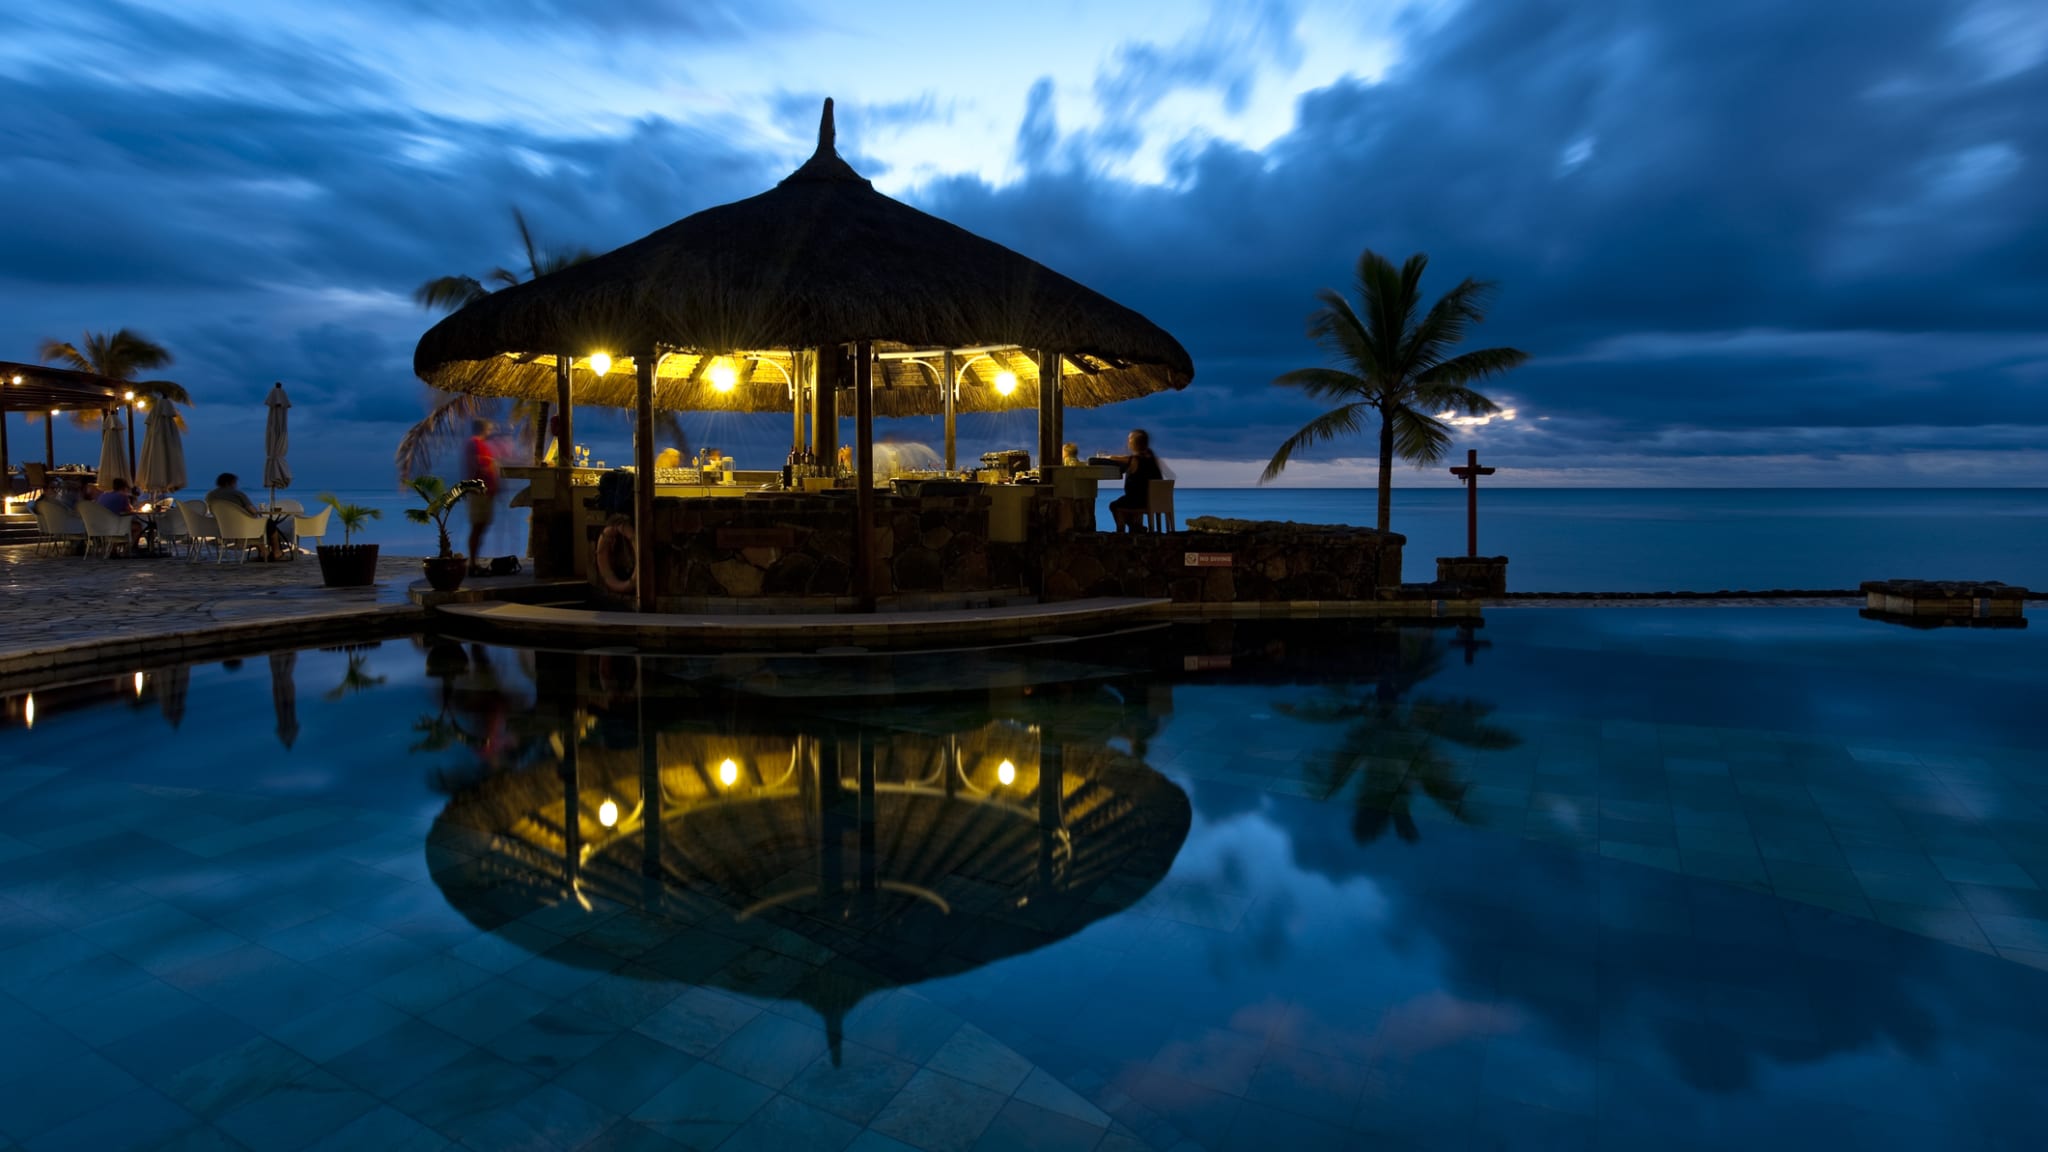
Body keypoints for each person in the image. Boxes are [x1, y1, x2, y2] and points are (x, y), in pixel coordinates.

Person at [206, 472, 292, 560]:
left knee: (262, 526)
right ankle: (277, 553)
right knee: (269, 524)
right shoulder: (237, 494)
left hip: (222, 529)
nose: (236, 485)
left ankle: (264, 552)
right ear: (230, 483)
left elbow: (211, 511)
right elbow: (253, 511)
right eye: (235, 482)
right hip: (244, 527)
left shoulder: (210, 495)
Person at [1106, 429, 1164, 533]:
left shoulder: (1134, 460)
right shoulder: (1152, 459)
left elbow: (1114, 458)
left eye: (1129, 440)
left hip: (1137, 501)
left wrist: (1107, 457)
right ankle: (1136, 527)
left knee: (1114, 506)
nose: (1127, 442)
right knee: (1125, 504)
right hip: (1153, 500)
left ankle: (1121, 531)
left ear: (1133, 443)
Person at [463, 419, 502, 575]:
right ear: (483, 429)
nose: (490, 432)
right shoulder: (474, 444)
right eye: (489, 429)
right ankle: (472, 563)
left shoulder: (478, 444)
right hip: (479, 492)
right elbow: (478, 465)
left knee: (481, 526)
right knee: (478, 526)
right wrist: (490, 465)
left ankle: (474, 561)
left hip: (485, 492)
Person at [95, 478, 147, 552]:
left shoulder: (103, 496)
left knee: (127, 525)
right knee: (138, 527)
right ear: (124, 487)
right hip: (115, 526)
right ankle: (129, 549)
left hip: (101, 526)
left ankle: (114, 548)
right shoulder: (122, 496)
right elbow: (130, 511)